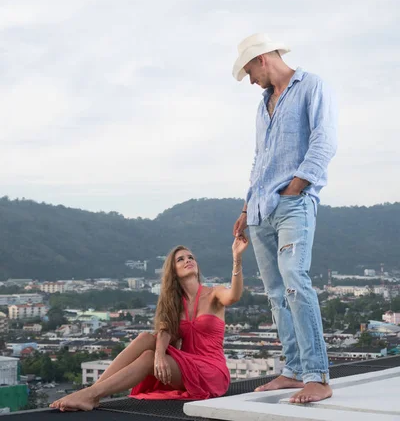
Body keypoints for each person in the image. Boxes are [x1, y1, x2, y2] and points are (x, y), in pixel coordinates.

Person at [232, 33, 337, 404]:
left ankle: (318, 376)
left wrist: (295, 187)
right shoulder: (262, 106)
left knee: (295, 281)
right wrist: (247, 208)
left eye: (248, 71)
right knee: (276, 295)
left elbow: (324, 141)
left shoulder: (311, 86)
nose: (249, 80)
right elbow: (260, 160)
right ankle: (292, 370)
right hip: (260, 211)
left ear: (261, 59)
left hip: (293, 204)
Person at [50, 236, 248, 412]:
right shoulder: (174, 302)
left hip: (211, 372)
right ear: (173, 270)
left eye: (190, 257)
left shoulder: (214, 293)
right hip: (185, 365)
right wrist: (160, 355)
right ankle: (92, 394)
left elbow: (234, 295)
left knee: (147, 358)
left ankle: (91, 394)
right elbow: (163, 331)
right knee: (146, 339)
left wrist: (236, 258)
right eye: (181, 259)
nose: (188, 260)